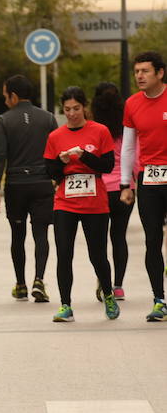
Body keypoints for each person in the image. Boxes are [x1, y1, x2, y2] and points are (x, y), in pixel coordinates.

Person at [43, 86, 119, 322]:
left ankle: (108, 294)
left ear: (84, 107)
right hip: (65, 202)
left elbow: (107, 165)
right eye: (67, 109)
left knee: (97, 255)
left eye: (76, 108)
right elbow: (50, 171)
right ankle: (66, 305)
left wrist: (84, 155)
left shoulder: (100, 131)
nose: (72, 113)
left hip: (95, 202)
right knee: (64, 253)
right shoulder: (56, 136)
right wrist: (61, 160)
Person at [0, 75, 58, 302]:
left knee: (17, 235)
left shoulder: (4, 120)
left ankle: (20, 284)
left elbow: (0, 156)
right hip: (42, 184)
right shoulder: (48, 118)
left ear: (14, 95)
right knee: (41, 234)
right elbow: (56, 152)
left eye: (5, 96)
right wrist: (56, 179)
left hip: (16, 185)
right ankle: (39, 279)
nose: (4, 100)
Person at [119, 51, 167, 322]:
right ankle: (159, 300)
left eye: (145, 71)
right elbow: (127, 147)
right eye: (136, 71)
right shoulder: (132, 104)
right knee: (152, 241)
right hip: (148, 180)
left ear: (160, 73)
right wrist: (127, 183)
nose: (139, 75)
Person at [92, 82, 137, 302]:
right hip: (123, 188)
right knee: (119, 237)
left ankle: (104, 280)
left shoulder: (93, 128)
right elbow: (134, 155)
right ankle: (118, 286)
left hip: (99, 189)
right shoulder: (126, 126)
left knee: (98, 239)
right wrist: (133, 181)